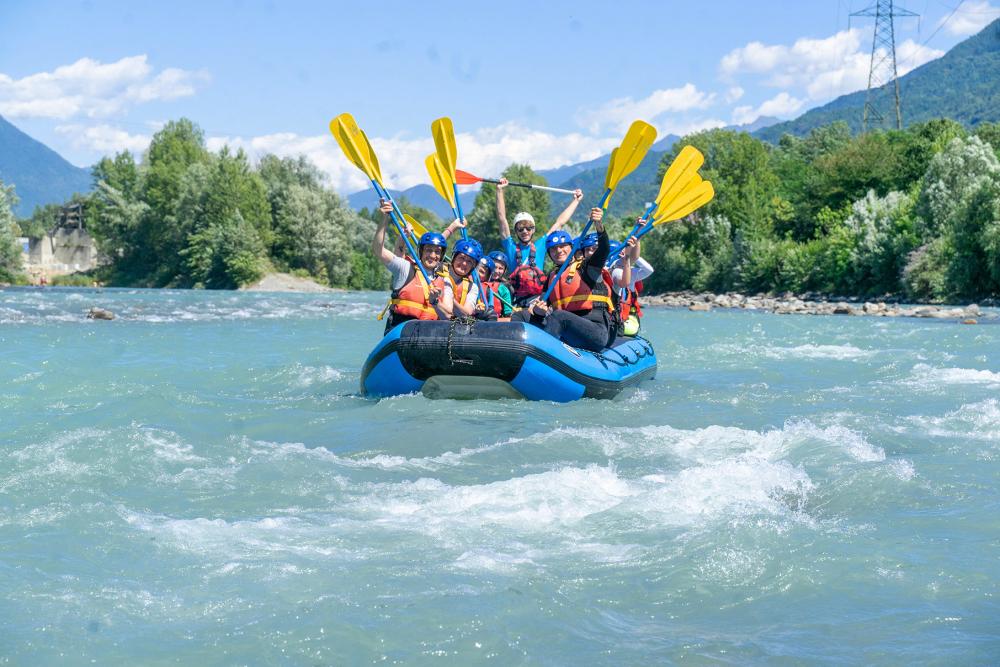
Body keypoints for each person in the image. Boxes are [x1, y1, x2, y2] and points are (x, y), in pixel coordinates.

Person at [511, 207, 617, 352]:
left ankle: (544, 354)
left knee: (559, 316)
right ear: (549, 254)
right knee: (521, 315)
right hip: (566, 328)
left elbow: (604, 249)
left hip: (595, 330)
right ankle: (517, 352)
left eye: (562, 246)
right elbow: (541, 308)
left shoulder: (587, 267)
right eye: (553, 249)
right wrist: (538, 311)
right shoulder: (552, 277)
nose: (558, 251)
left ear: (571, 248)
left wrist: (598, 224)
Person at [496, 178, 583, 305]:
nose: (525, 231)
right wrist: (499, 191)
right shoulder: (510, 247)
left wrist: (576, 201)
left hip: (537, 299)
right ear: (516, 231)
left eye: (528, 228)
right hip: (516, 300)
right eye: (520, 229)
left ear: (533, 230)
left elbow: (560, 222)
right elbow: (501, 218)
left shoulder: (541, 245)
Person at [372, 201, 447, 334]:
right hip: (401, 332)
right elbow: (379, 250)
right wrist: (384, 219)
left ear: (441, 256)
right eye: (428, 250)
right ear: (421, 252)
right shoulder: (405, 268)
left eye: (437, 252)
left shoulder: (444, 278)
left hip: (429, 334)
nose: (432, 255)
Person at [610, 236, 654, 336]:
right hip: (614, 318)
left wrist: (630, 257)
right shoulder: (609, 271)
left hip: (628, 319)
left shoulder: (631, 273)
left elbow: (649, 270)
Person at [441, 238, 482, 319]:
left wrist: (450, 298)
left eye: (469, 261)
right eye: (461, 258)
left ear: (473, 266)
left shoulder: (472, 287)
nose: (464, 263)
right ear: (454, 257)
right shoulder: (437, 271)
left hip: (452, 325)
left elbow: (466, 313)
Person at [487, 250, 514, 318]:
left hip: (495, 320)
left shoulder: (503, 289)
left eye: (500, 268)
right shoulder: (478, 282)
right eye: (494, 267)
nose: (497, 271)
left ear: (504, 271)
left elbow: (508, 313)